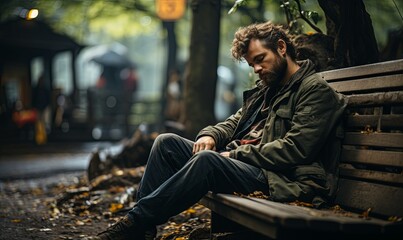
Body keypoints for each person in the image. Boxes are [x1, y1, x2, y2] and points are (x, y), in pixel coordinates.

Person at [93, 21, 347, 240]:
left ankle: (133, 223)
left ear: (281, 47)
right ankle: (143, 228)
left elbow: (296, 150)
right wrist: (210, 135)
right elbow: (233, 122)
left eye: (260, 60)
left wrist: (233, 156)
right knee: (166, 142)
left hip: (281, 178)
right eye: (252, 65)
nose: (257, 69)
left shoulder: (314, 91)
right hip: (249, 166)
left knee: (207, 161)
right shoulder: (267, 89)